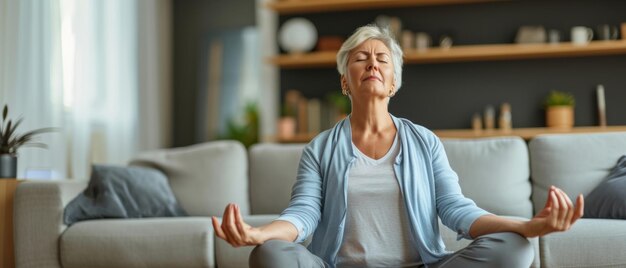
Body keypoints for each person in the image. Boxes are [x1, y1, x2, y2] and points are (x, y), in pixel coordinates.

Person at [211, 25, 584, 268]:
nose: (371, 62)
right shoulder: (320, 148)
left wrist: (527, 226)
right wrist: (259, 233)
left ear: (393, 82)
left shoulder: (424, 142)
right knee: (269, 255)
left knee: (516, 249)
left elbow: (456, 211)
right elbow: (303, 215)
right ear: (345, 82)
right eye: (360, 58)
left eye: (381, 59)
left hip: (422, 265)